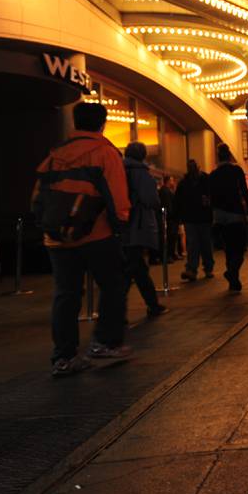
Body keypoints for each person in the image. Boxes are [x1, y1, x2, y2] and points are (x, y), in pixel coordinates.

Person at [33, 102, 133, 377]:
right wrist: (120, 225)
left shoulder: (55, 154)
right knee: (113, 285)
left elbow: (38, 196)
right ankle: (105, 342)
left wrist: (47, 227)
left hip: (57, 238)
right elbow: (117, 195)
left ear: (75, 123)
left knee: (66, 294)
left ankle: (63, 357)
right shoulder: (104, 152)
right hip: (96, 234)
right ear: (103, 123)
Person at [122, 142, 168, 317]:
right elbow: (151, 200)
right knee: (131, 269)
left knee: (136, 267)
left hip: (120, 225)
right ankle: (116, 311)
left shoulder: (117, 169)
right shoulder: (142, 174)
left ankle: (152, 304)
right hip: (137, 225)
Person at [208, 144, 248, 292]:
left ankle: (233, 279)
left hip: (220, 216)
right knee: (239, 248)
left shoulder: (213, 175)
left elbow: (210, 197)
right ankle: (233, 272)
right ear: (229, 156)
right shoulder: (236, 171)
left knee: (229, 248)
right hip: (235, 214)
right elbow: (245, 192)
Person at [175, 159, 214, 282]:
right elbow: (178, 201)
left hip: (200, 217)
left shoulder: (201, 181)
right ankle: (195, 269)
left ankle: (203, 268)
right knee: (196, 244)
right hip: (194, 218)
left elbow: (178, 201)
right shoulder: (186, 183)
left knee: (202, 243)